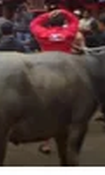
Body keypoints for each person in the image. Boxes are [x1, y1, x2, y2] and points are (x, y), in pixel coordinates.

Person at [30, 9, 79, 154]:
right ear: (63, 23)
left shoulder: (42, 34)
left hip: (45, 75)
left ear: (49, 23)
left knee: (45, 109)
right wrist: (63, 11)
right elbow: (74, 21)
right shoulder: (69, 34)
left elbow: (34, 23)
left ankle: (46, 143)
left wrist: (47, 15)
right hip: (68, 74)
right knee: (70, 110)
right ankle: (69, 140)